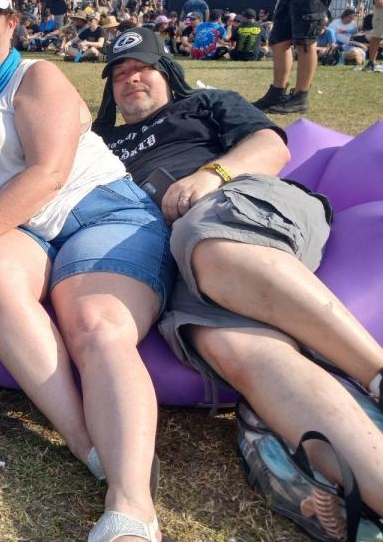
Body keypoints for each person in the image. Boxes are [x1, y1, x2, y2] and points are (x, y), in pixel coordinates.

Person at [0, 0, 173, 542]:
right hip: (27, 229)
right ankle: (90, 446)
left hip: (97, 213)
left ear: (12, 23)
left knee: (95, 323)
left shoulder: (37, 78)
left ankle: (132, 509)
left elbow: (48, 174)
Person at [94, 27, 383, 518]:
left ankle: (375, 372)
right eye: (119, 74)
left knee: (209, 243)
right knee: (234, 350)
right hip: (176, 257)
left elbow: (272, 146)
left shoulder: (205, 106)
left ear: (167, 72)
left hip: (241, 207)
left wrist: (212, 176)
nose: (130, 79)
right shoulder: (102, 143)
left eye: (141, 67)